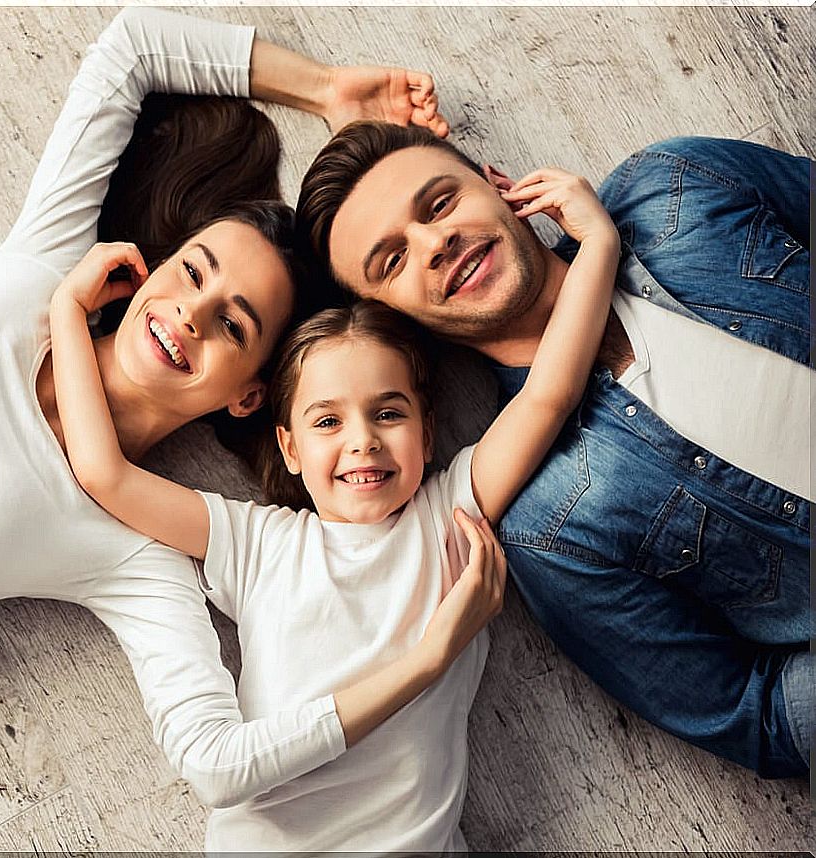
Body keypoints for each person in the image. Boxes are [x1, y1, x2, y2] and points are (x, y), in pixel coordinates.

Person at [0, 6, 462, 813]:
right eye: (191, 271)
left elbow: (217, 764)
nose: (190, 314)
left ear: (249, 395)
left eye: (234, 324)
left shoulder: (131, 552)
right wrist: (324, 91)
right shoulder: (38, 272)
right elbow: (131, 48)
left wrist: (426, 661)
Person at [46, 162, 619, 850]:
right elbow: (104, 473)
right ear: (287, 446)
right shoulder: (257, 542)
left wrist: (598, 247)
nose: (363, 443)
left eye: (388, 412)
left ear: (427, 431)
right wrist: (68, 315)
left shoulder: (448, 516)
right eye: (327, 422)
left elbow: (547, 395)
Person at [294, 122, 813, 778]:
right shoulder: (550, 524)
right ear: (396, 320)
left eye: (440, 204)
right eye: (393, 261)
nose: (435, 242)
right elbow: (753, 716)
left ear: (497, 186)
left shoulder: (676, 185)